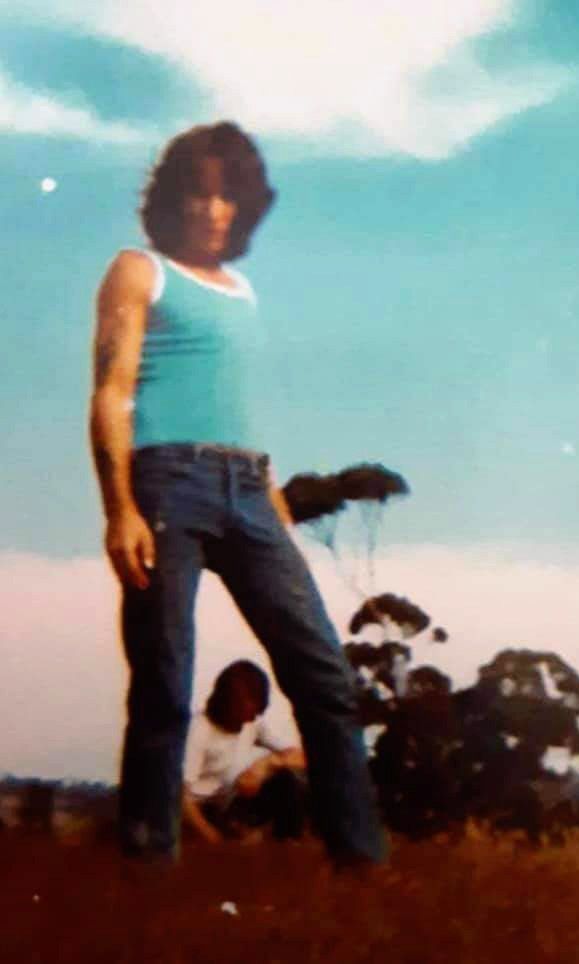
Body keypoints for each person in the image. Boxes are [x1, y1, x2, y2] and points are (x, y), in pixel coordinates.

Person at [89, 121, 386, 867]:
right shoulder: (138, 270)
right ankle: (149, 865)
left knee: (321, 669)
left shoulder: (243, 290)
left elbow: (234, 397)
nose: (213, 211)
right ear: (172, 201)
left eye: (228, 198)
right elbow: (112, 391)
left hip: (249, 486)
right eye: (199, 194)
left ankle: (361, 862)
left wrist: (272, 493)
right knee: (164, 679)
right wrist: (118, 507)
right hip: (165, 484)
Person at [182, 660, 307, 844]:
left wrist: (267, 764)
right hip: (201, 810)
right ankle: (240, 835)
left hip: (233, 801)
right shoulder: (199, 730)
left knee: (287, 780)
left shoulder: (251, 723)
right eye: (244, 714)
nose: (250, 720)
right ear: (227, 704)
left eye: (254, 714)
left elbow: (301, 757)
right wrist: (213, 838)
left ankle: (289, 847)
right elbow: (181, 798)